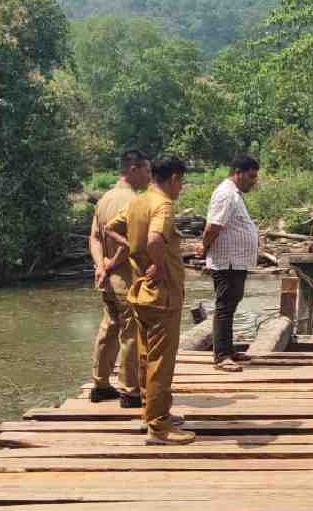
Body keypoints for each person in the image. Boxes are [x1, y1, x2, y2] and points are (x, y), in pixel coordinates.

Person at [106, 156, 196, 445]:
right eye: (181, 182)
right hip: (162, 295)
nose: (181, 188)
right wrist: (156, 263)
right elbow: (156, 238)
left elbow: (110, 228)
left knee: (146, 358)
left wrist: (134, 252)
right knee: (161, 362)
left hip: (140, 292)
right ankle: (159, 428)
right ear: (172, 179)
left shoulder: (137, 201)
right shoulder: (163, 205)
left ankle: (152, 414)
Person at [89, 148, 150, 407]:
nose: (149, 176)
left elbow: (93, 237)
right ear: (133, 169)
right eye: (146, 170)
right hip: (126, 279)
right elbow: (130, 245)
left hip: (106, 280)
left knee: (108, 328)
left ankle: (100, 384)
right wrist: (112, 266)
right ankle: (130, 391)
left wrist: (100, 266)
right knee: (130, 333)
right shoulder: (134, 201)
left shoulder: (104, 199)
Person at [201, 156, 261, 372]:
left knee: (231, 305)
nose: (253, 181)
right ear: (238, 172)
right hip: (226, 261)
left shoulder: (233, 194)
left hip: (235, 261)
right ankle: (222, 356)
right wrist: (204, 248)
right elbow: (213, 226)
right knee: (225, 306)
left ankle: (228, 349)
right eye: (251, 176)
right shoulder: (226, 193)